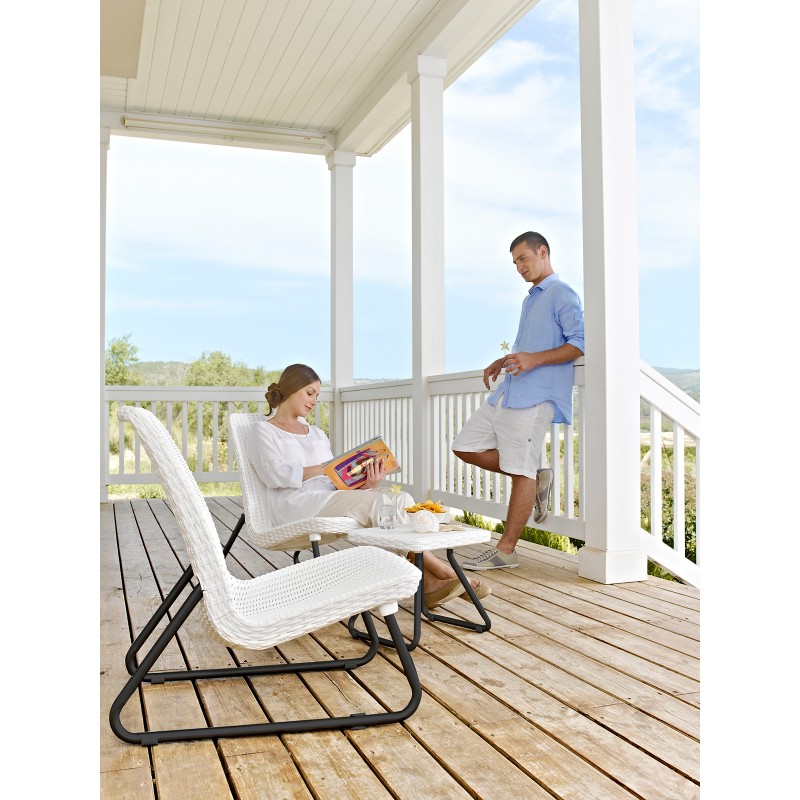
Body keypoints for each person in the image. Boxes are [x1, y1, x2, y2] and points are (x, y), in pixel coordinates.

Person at [247, 363, 490, 607]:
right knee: (381, 503)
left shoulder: (317, 434)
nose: (314, 401)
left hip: (330, 498)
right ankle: (443, 573)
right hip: (297, 505)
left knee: (402, 499)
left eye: (317, 396)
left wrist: (367, 485)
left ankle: (426, 582)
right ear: (291, 388)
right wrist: (324, 468)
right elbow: (274, 475)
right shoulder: (264, 430)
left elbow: (335, 484)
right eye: (309, 393)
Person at [452, 231, 584, 570]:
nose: (519, 267)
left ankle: (506, 551)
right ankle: (533, 476)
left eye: (523, 259)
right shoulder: (531, 299)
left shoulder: (562, 293)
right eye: (515, 263)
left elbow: (579, 343)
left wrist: (534, 360)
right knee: (464, 446)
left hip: (535, 398)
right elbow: (529, 348)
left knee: (519, 471)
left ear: (543, 252)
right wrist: (505, 360)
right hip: (508, 393)